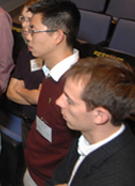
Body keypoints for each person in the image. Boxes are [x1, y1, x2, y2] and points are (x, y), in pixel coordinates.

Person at [47, 57, 135, 186]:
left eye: (69, 101)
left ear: (99, 115)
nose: (58, 102)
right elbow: (56, 180)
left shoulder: (115, 179)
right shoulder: (86, 135)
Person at [23, 0, 81, 186]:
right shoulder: (50, 72)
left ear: (58, 36)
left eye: (34, 30)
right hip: (34, 170)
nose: (27, 35)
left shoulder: (78, 88)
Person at [6, 0, 46, 149]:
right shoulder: (26, 51)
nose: (24, 24)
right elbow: (11, 93)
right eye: (23, 18)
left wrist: (22, 91)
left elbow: (45, 99)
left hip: (48, 126)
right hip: (27, 121)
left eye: (30, 19)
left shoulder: (53, 55)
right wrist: (35, 97)